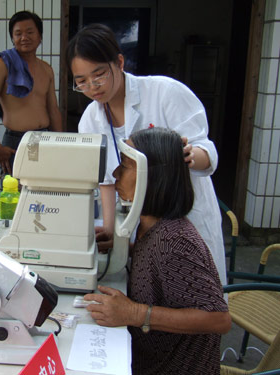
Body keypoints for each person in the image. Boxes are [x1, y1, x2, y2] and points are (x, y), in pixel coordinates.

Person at [66, 23, 227, 286]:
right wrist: (109, 230)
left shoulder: (166, 93)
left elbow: (207, 152)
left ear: (119, 62)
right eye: (82, 81)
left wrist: (189, 156)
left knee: (195, 293)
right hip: (144, 223)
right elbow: (106, 179)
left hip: (186, 217)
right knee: (153, 291)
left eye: (99, 75)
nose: (93, 87)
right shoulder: (91, 120)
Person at [84, 128, 231, 375]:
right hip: (149, 360)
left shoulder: (173, 241)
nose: (116, 174)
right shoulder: (151, 226)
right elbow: (164, 271)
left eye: (126, 165)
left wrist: (133, 313)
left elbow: (218, 319)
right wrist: (126, 249)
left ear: (153, 176)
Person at [0, 10, 62, 175]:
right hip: (15, 141)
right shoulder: (3, 64)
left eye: (30, 32)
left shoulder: (47, 69)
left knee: (43, 190)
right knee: (15, 193)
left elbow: (53, 109)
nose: (24, 37)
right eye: (18, 33)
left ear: (40, 37)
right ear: (13, 38)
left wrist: (61, 142)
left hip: (44, 138)